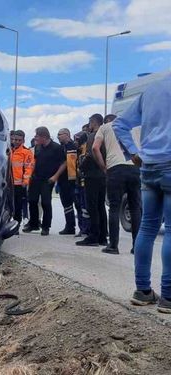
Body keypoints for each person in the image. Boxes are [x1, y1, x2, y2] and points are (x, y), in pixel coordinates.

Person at [113, 73, 171, 313]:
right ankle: (168, 296)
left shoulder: (152, 89)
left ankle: (143, 291)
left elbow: (119, 123)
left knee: (147, 227)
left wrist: (134, 153)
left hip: (148, 166)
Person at [92, 114, 141, 255]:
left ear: (109, 120)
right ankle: (136, 246)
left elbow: (95, 148)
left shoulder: (105, 127)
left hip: (115, 169)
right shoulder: (135, 128)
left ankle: (113, 246)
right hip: (134, 167)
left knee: (114, 207)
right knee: (135, 208)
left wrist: (103, 167)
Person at [23, 127, 66, 236]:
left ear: (44, 136)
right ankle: (34, 223)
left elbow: (64, 163)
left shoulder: (57, 148)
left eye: (37, 136)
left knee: (46, 202)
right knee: (32, 201)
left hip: (48, 179)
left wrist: (55, 176)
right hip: (36, 178)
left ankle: (46, 226)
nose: (35, 138)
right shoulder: (38, 147)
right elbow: (34, 162)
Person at [76, 114, 108, 247]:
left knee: (92, 206)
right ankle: (102, 236)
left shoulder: (93, 136)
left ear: (93, 123)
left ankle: (93, 236)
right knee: (101, 206)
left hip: (92, 175)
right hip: (103, 175)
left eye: (90, 123)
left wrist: (81, 167)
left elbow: (91, 154)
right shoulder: (106, 135)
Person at [56, 128, 78, 235]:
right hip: (62, 180)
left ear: (67, 134)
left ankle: (81, 227)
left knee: (76, 203)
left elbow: (71, 164)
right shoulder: (61, 148)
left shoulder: (72, 147)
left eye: (60, 134)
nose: (58, 137)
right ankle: (70, 226)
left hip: (71, 181)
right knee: (66, 204)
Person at [10, 130, 34, 224]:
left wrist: (25, 181)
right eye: (15, 139)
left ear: (23, 140)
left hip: (19, 184)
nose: (16, 142)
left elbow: (28, 168)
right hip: (7, 183)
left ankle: (17, 223)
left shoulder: (26, 152)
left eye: (19, 140)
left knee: (17, 205)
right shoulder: (9, 150)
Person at [74, 127, 90, 237]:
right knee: (80, 206)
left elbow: (82, 166)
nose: (75, 142)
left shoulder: (86, 150)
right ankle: (83, 228)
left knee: (85, 207)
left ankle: (86, 229)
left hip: (85, 183)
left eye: (77, 139)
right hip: (78, 183)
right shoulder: (78, 151)